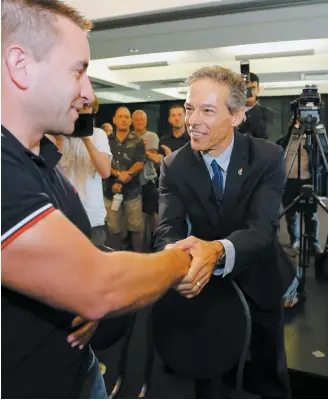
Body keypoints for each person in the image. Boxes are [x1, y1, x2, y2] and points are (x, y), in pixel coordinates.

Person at [1, 1, 191, 398]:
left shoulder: (41, 161)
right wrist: (183, 258)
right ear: (20, 66)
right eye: (78, 72)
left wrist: (75, 295)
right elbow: (98, 284)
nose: (88, 93)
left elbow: (81, 264)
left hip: (78, 373)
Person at [153, 66, 291, 398]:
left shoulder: (267, 157)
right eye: (189, 108)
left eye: (207, 110)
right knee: (210, 378)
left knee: (268, 377)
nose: (192, 120)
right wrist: (174, 258)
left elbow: (261, 229)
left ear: (237, 116)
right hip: (206, 291)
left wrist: (215, 250)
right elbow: (167, 229)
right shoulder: (173, 166)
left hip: (259, 283)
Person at [55, 95, 111, 247]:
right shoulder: (57, 135)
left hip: (92, 217)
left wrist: (86, 138)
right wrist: (59, 135)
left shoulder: (99, 135)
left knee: (95, 267)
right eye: (78, 106)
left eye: (86, 107)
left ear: (93, 110)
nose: (82, 111)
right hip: (63, 217)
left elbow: (105, 172)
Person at [104, 106, 146, 252]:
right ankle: (114, 259)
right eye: (120, 117)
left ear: (130, 121)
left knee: (136, 228)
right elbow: (102, 163)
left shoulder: (138, 140)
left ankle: (138, 258)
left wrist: (125, 175)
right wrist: (117, 174)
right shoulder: (106, 140)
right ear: (114, 120)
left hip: (132, 191)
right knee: (113, 228)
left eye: (127, 117)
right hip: (110, 191)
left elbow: (141, 162)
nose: (124, 120)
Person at [279, 119, 322, 254]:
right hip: (288, 181)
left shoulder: (311, 142)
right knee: (290, 213)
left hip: (306, 180)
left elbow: (320, 159)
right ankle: (295, 240)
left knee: (310, 214)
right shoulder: (284, 142)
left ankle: (313, 242)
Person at [132, 110, 160, 237]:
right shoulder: (129, 136)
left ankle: (157, 237)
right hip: (132, 181)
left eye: (142, 119)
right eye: (136, 119)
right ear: (132, 122)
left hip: (148, 180)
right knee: (136, 215)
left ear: (146, 121)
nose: (139, 122)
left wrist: (141, 149)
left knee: (151, 212)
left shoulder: (151, 136)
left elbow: (152, 155)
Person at [237, 72, 273, 140]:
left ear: (258, 89)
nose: (249, 92)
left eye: (253, 88)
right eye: (245, 88)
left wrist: (253, 106)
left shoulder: (267, 113)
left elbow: (263, 134)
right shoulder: (231, 112)